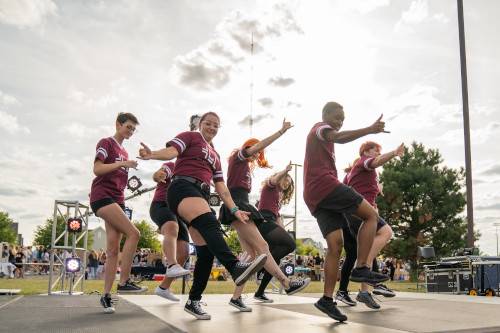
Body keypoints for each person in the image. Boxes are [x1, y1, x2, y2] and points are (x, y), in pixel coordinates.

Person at [138, 111, 267, 320]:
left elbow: (222, 188)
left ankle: (193, 301)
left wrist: (235, 209)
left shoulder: (215, 157)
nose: (212, 128)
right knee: (210, 224)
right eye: (208, 123)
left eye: (216, 125)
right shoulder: (191, 137)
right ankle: (234, 267)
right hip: (182, 187)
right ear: (200, 124)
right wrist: (151, 154)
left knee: (206, 252)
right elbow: (171, 152)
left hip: (201, 194)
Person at [303, 101, 390, 322]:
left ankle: (327, 299)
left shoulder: (322, 142)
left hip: (315, 196)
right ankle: (361, 267)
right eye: (336, 117)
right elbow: (336, 137)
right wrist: (369, 130)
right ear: (325, 115)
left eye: (342, 119)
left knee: (336, 245)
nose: (340, 122)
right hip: (325, 186)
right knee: (370, 215)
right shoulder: (320, 129)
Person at [218, 121, 310, 311]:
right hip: (237, 206)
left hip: (240, 206)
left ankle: (236, 298)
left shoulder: (245, 167)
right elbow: (259, 146)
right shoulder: (238, 157)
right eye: (255, 151)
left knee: (251, 256)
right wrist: (280, 132)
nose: (257, 154)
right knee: (264, 247)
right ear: (248, 148)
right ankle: (286, 283)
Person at [90, 112, 146, 314]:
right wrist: (122, 164)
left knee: (113, 249)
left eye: (133, 128)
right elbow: (97, 169)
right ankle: (124, 281)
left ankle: (106, 296)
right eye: (128, 127)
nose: (130, 131)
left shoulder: (124, 151)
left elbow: (119, 184)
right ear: (118, 124)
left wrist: (125, 163)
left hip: (117, 200)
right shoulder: (107, 142)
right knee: (135, 234)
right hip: (102, 196)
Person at [336, 141, 403, 309]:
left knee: (366, 247)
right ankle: (363, 270)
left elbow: (350, 188)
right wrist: (394, 152)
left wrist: (375, 193)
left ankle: (365, 291)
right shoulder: (364, 162)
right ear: (365, 151)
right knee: (386, 232)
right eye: (376, 150)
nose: (378, 153)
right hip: (358, 212)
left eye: (379, 151)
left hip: (357, 212)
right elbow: (375, 162)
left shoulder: (358, 173)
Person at [253, 165, 307, 303]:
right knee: (290, 244)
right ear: (280, 178)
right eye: (285, 180)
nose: (286, 184)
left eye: (289, 183)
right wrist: (285, 171)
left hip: (270, 222)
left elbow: (278, 219)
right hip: (263, 222)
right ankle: (263, 267)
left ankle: (260, 292)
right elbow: (274, 179)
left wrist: (284, 232)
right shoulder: (270, 187)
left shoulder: (278, 198)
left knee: (275, 259)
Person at [150, 161, 191, 301]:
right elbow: (159, 174)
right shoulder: (172, 165)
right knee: (172, 227)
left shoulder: (191, 172)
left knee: (184, 251)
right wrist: (158, 175)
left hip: (177, 211)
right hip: (161, 205)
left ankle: (163, 288)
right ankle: (172, 264)